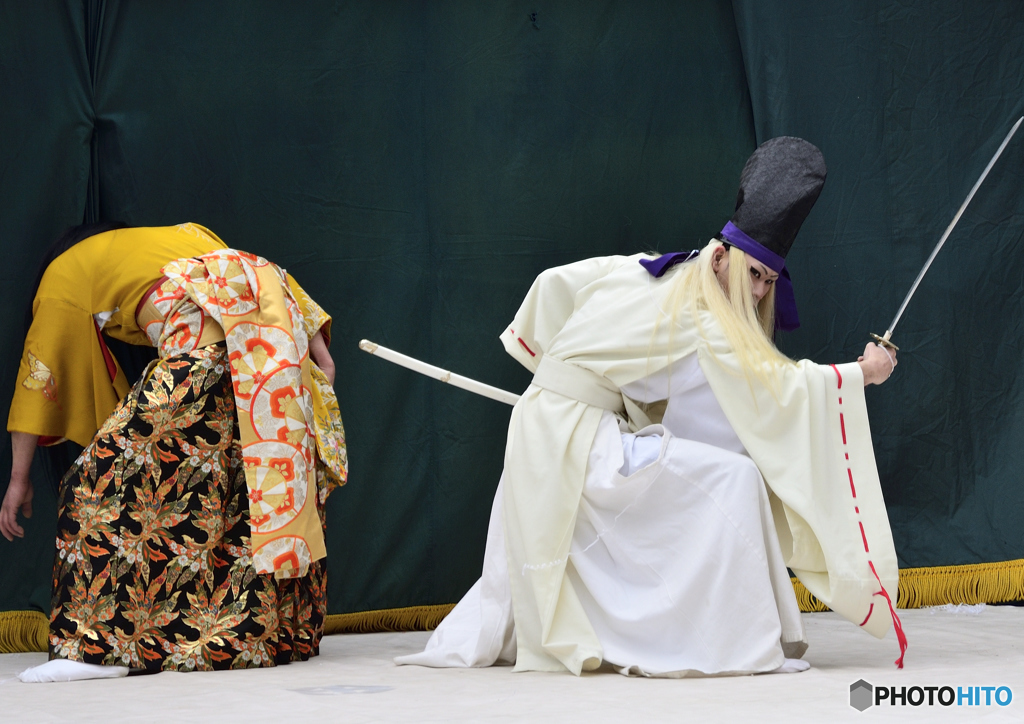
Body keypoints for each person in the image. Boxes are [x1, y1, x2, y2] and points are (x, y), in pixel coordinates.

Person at [397, 137, 904, 677]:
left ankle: (744, 632)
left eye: (768, 283)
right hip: (576, 444)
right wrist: (860, 376)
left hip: (562, 430)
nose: (758, 294)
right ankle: (732, 641)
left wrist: (553, 370)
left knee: (731, 476)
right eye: (754, 275)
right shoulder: (704, 317)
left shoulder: (653, 268)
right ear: (721, 256)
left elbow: (558, 283)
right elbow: (771, 386)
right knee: (736, 479)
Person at [1, 222, 347, 681]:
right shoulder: (184, 236)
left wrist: (18, 479)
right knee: (243, 490)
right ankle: (272, 635)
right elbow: (258, 281)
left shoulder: (65, 270)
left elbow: (38, 375)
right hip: (273, 350)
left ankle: (97, 648)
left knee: (94, 485)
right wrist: (315, 363)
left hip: (201, 352)